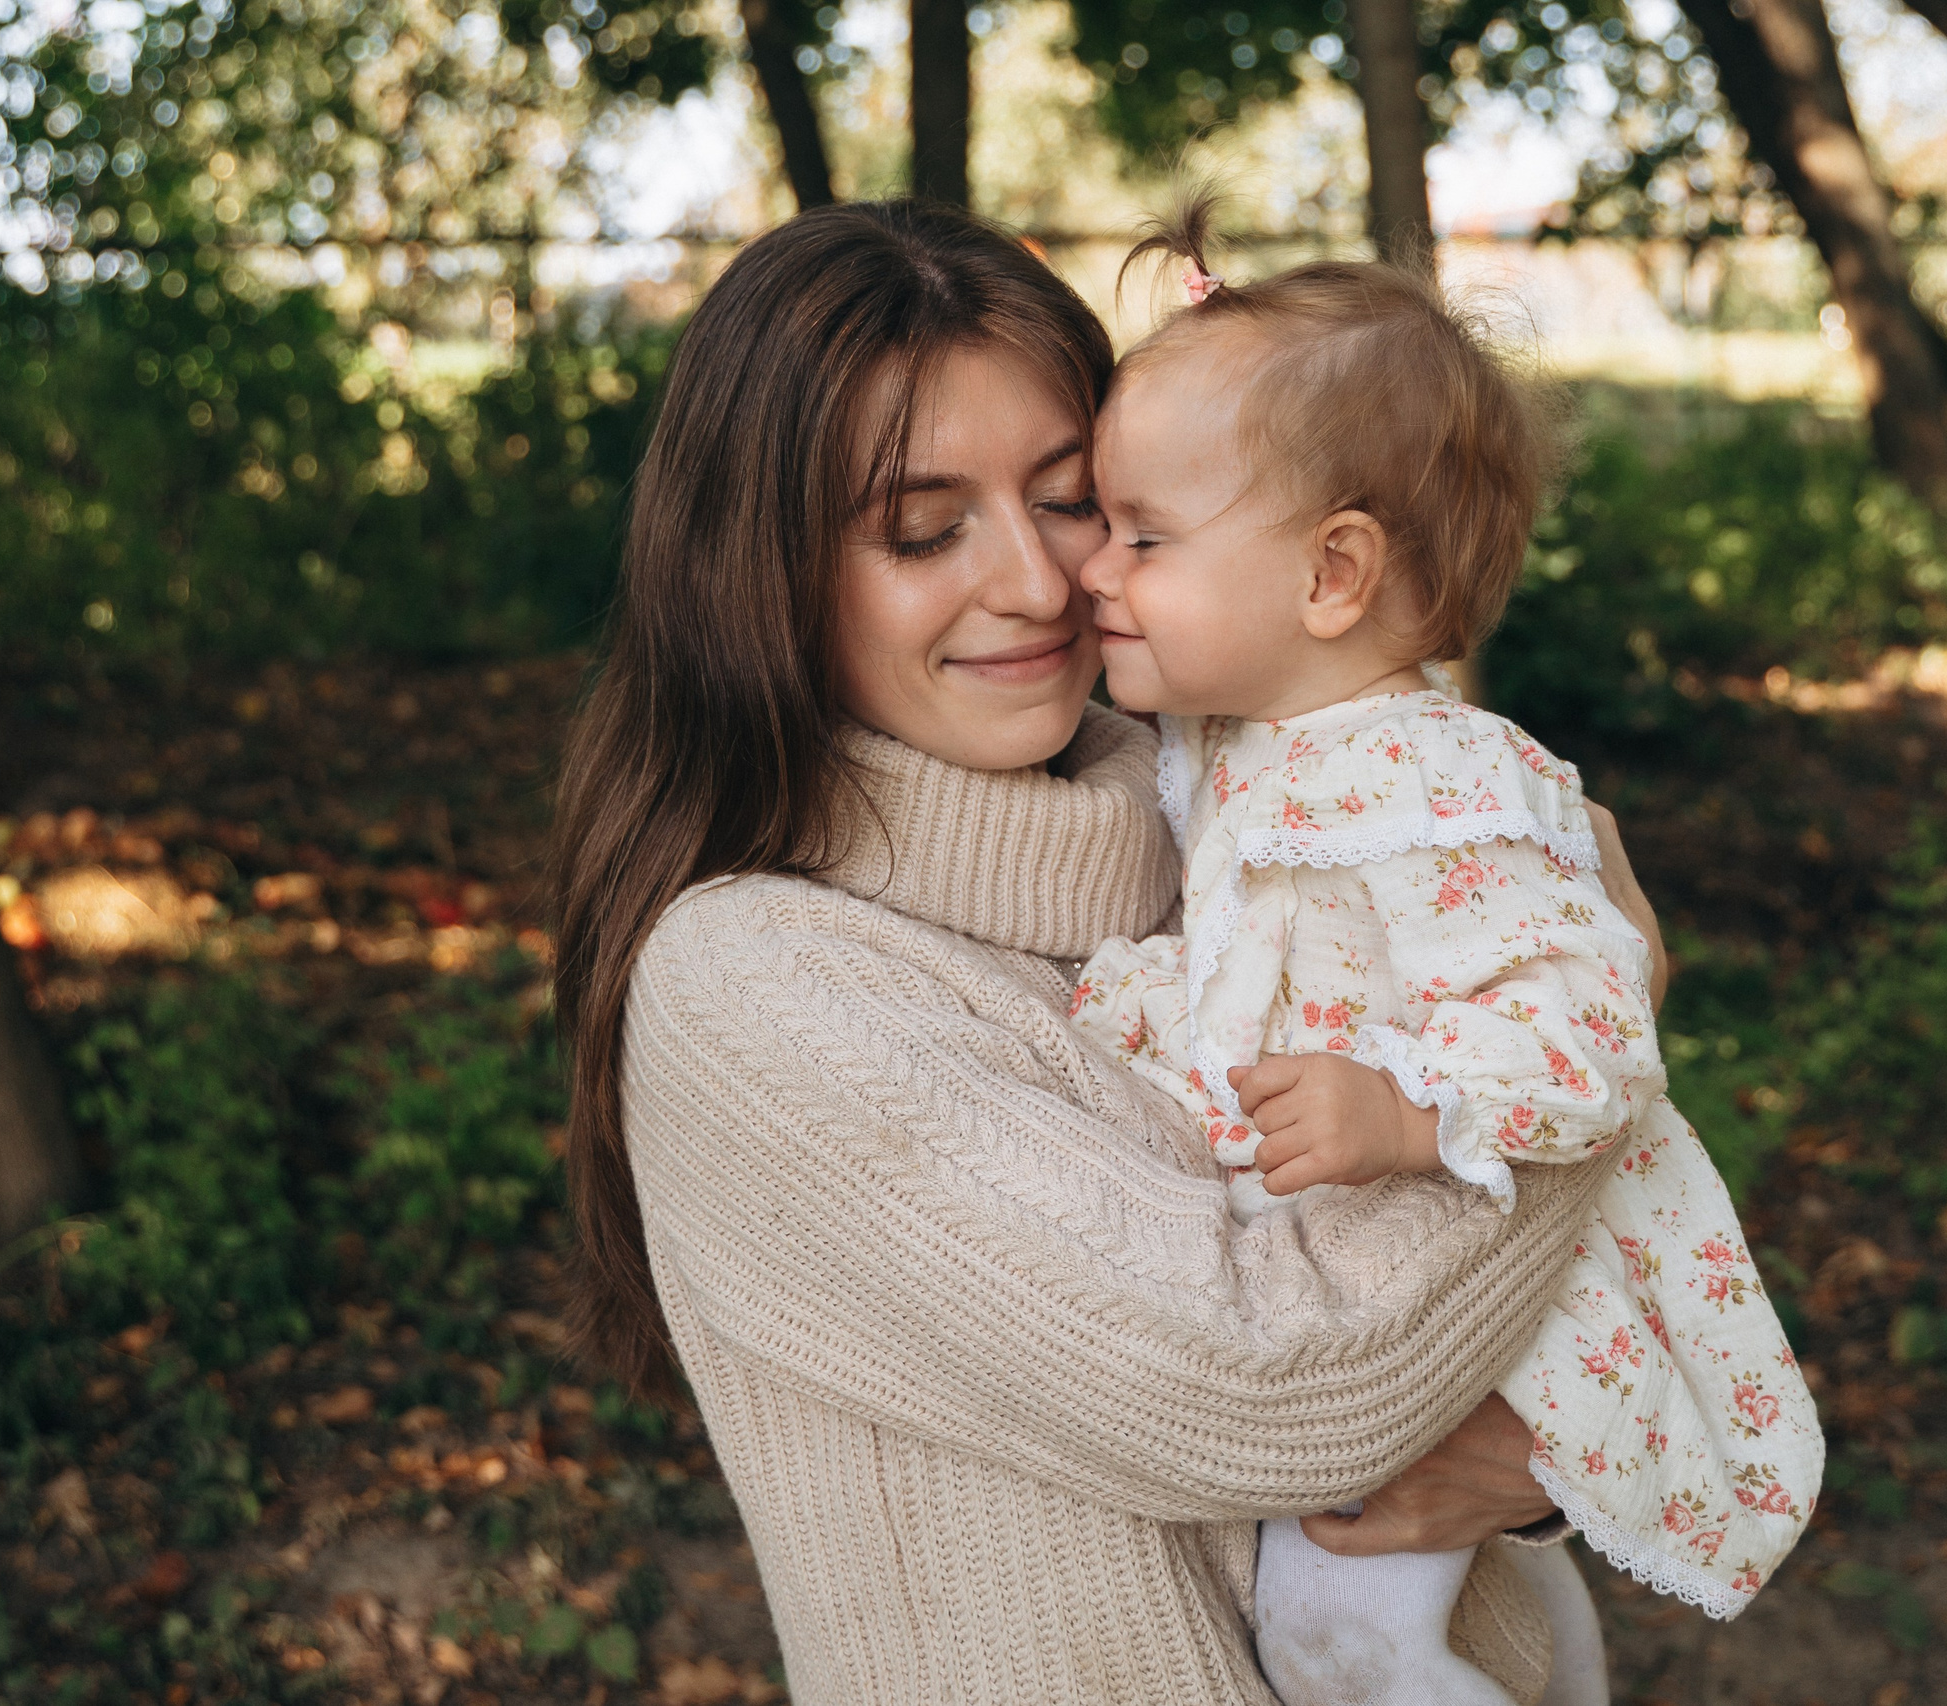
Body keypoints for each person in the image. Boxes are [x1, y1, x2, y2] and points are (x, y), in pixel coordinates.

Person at [550, 198, 1664, 1705]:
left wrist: (1526, 1467)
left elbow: (1482, 1360)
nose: (1036, 579)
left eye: (1079, 500)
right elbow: (1273, 1384)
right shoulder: (756, 986)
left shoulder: (1252, 809)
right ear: (761, 576)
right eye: (923, 531)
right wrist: (1598, 1029)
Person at [1066, 200, 1824, 1706]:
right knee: (1333, 1628)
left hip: (1479, 1291)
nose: (1092, 568)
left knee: (1345, 1637)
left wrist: (1404, 1111)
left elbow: (1594, 1030)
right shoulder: (1239, 743)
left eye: (1143, 535)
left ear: (1333, 575)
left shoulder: (1448, 783)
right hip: (1351, 1297)